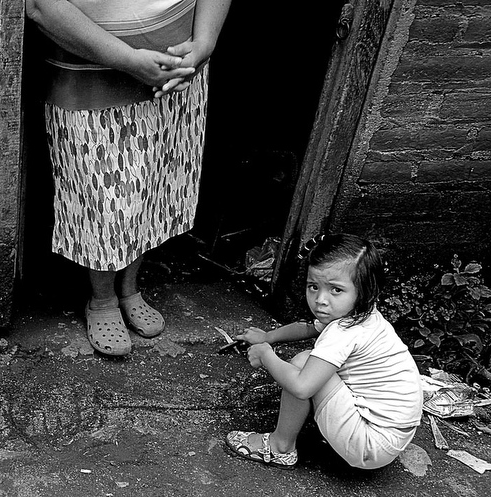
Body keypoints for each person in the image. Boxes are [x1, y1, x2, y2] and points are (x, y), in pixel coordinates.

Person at [25, 0, 232, 356]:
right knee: (103, 196)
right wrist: (129, 60)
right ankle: (102, 299)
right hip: (92, 66)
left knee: (151, 182)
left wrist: (205, 43)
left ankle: (130, 287)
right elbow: (41, 5)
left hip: (178, 67)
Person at [225, 234, 423, 470]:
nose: (320, 300)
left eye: (335, 290)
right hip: (391, 437)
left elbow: (301, 387)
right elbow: (309, 328)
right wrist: (269, 336)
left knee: (302, 365)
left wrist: (267, 354)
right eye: (313, 287)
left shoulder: (343, 332)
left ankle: (280, 447)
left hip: (369, 445)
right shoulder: (361, 313)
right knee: (309, 364)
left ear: (365, 290)